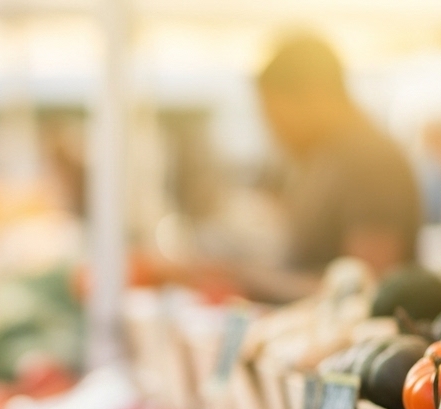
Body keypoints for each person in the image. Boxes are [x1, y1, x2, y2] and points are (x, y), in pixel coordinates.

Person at [158, 35, 422, 303]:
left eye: (276, 114)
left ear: (315, 94)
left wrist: (244, 277)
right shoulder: (321, 158)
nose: (274, 131)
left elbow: (367, 291)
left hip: (355, 342)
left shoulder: (372, 162)